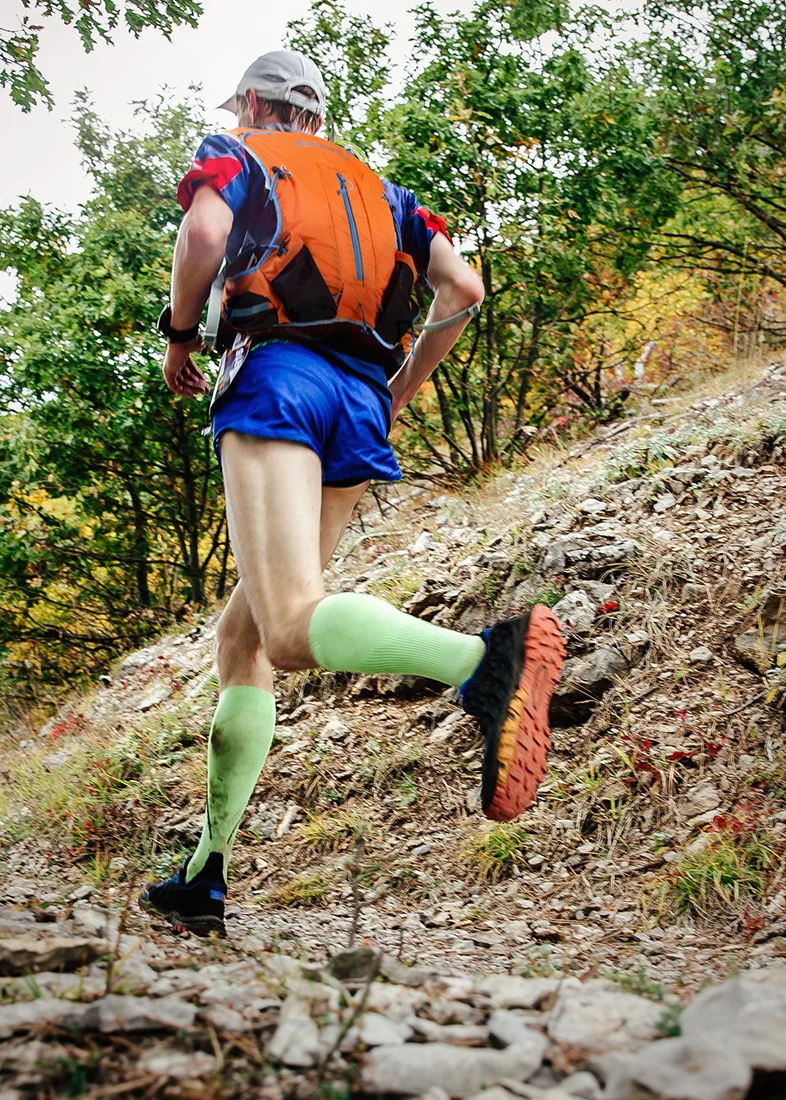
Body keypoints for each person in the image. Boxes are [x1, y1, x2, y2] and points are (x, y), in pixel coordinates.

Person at [140, 50, 565, 937]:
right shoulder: (388, 195)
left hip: (279, 379)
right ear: (319, 116)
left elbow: (207, 238)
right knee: (244, 634)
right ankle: (204, 874)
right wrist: (398, 392)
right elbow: (463, 289)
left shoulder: (240, 152)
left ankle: (484, 662)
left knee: (291, 627)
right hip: (358, 402)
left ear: (254, 102)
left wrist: (181, 335)